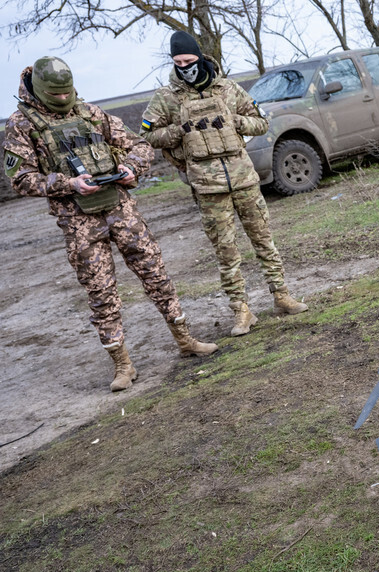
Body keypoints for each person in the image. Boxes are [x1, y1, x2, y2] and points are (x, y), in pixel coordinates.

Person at [3, 56, 218, 392]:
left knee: (156, 274)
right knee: (101, 293)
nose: (64, 99)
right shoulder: (21, 125)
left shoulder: (91, 113)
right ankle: (122, 364)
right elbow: (20, 178)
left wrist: (132, 167)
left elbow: (139, 144)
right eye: (56, 95)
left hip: (122, 209)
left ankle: (186, 339)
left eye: (68, 92)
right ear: (41, 90)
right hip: (79, 223)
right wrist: (69, 184)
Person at [139, 31, 308, 337]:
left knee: (264, 240)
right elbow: (148, 134)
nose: (184, 67)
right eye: (178, 62)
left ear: (200, 58)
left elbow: (261, 120)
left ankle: (281, 296)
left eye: (189, 61)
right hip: (208, 188)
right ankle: (242, 311)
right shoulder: (166, 98)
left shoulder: (227, 87)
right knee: (226, 252)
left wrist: (234, 121)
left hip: (243, 179)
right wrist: (179, 131)